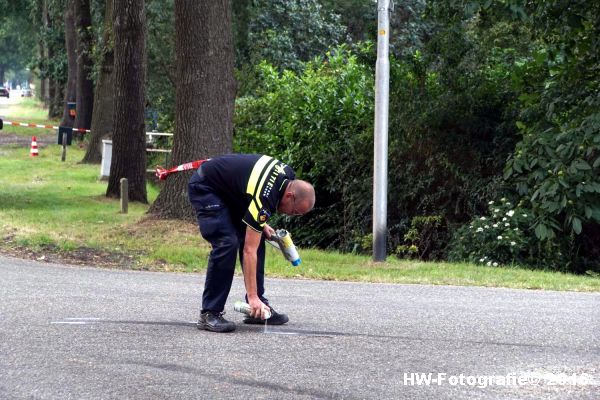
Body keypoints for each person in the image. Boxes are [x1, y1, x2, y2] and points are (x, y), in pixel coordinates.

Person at [188, 154, 315, 332]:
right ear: (290, 195)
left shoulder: (287, 176)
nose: (289, 215)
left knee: (258, 236)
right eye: (294, 212)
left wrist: (261, 224)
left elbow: (250, 191)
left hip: (231, 193)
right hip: (207, 187)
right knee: (227, 243)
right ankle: (210, 313)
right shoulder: (268, 195)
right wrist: (252, 294)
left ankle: (256, 308)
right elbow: (249, 250)